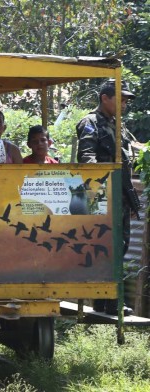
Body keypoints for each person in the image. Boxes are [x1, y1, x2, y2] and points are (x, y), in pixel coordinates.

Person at [76, 79, 139, 316]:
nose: (124, 104)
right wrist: (104, 184)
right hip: (101, 195)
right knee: (107, 247)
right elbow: (87, 157)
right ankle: (112, 300)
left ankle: (104, 302)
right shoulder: (91, 123)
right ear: (105, 98)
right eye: (120, 98)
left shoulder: (119, 125)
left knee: (119, 247)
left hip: (121, 195)